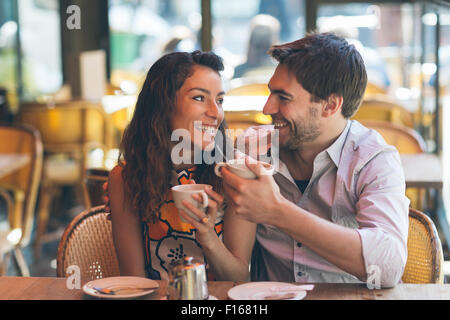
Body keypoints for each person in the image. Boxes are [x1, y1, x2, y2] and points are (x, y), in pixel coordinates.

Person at [220, 32, 409, 288]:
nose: (267, 109)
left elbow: (387, 268)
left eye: (283, 97)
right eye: (270, 93)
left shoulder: (373, 160)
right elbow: (235, 267)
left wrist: (278, 212)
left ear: (330, 105)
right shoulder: (252, 149)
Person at [108, 50, 231, 280]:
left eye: (220, 100)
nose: (216, 112)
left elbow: (240, 278)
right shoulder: (125, 178)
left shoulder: (232, 176)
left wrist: (208, 238)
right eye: (199, 98)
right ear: (164, 104)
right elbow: (134, 281)